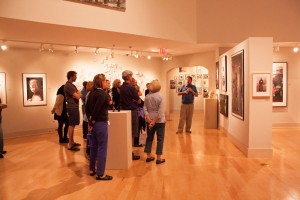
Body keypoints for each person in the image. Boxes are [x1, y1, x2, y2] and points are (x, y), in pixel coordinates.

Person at [85, 74, 113, 181]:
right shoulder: (102, 93)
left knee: (94, 147)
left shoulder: (91, 93)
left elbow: (87, 109)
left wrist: (90, 121)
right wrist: (92, 121)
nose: (106, 82)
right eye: (105, 81)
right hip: (100, 123)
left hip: (94, 123)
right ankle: (100, 174)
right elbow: (97, 109)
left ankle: (92, 169)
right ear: (101, 82)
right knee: (102, 148)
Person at [119, 70, 141, 160]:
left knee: (126, 132)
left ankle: (126, 151)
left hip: (123, 111)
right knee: (132, 132)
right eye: (131, 76)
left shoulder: (122, 87)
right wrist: (134, 100)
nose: (132, 77)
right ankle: (130, 153)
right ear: (128, 77)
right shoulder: (131, 87)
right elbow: (138, 100)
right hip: (131, 111)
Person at [143, 80, 166, 164]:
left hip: (149, 120)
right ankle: (159, 158)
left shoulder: (147, 96)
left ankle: (148, 156)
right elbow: (160, 112)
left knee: (149, 137)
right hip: (159, 121)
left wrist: (149, 119)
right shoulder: (161, 97)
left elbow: (145, 109)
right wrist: (154, 121)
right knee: (160, 139)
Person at [64, 71, 82, 151]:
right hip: (72, 107)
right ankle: (70, 144)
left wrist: (78, 94)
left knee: (73, 125)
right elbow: (78, 96)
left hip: (74, 107)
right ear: (71, 76)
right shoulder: (68, 85)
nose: (76, 77)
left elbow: (79, 94)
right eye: (75, 76)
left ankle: (72, 142)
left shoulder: (72, 85)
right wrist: (77, 95)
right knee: (71, 125)